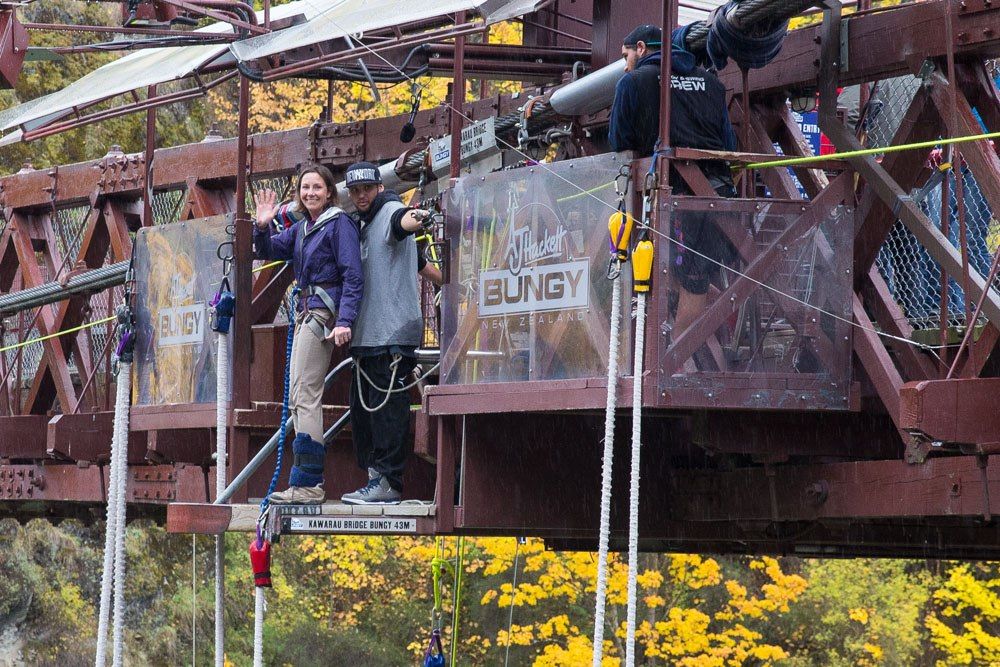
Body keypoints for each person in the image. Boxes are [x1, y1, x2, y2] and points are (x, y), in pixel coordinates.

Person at [609, 24, 739, 340]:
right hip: (715, 192)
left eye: (626, 54)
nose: (625, 62)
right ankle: (675, 357)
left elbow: (618, 141)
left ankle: (669, 364)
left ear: (640, 48)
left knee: (675, 275)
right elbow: (729, 143)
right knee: (694, 278)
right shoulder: (711, 82)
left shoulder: (632, 81)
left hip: (668, 196)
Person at [252, 164, 363, 504]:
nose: (310, 193)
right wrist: (262, 225)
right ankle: (304, 481)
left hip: (321, 315)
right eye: (305, 188)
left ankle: (309, 484)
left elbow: (352, 275)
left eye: (317, 187)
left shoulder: (338, 225)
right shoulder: (303, 229)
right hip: (307, 314)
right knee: (299, 399)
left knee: (306, 397)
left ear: (330, 191)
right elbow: (267, 250)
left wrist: (344, 320)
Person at [340, 162, 433, 505]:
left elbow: (404, 221)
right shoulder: (360, 226)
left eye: (367, 188)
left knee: (387, 414)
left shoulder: (390, 211)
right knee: (365, 417)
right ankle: (375, 480)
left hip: (391, 335)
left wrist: (419, 217)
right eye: (355, 190)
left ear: (379, 187)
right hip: (368, 337)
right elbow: (422, 265)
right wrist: (449, 283)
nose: (361, 195)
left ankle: (388, 484)